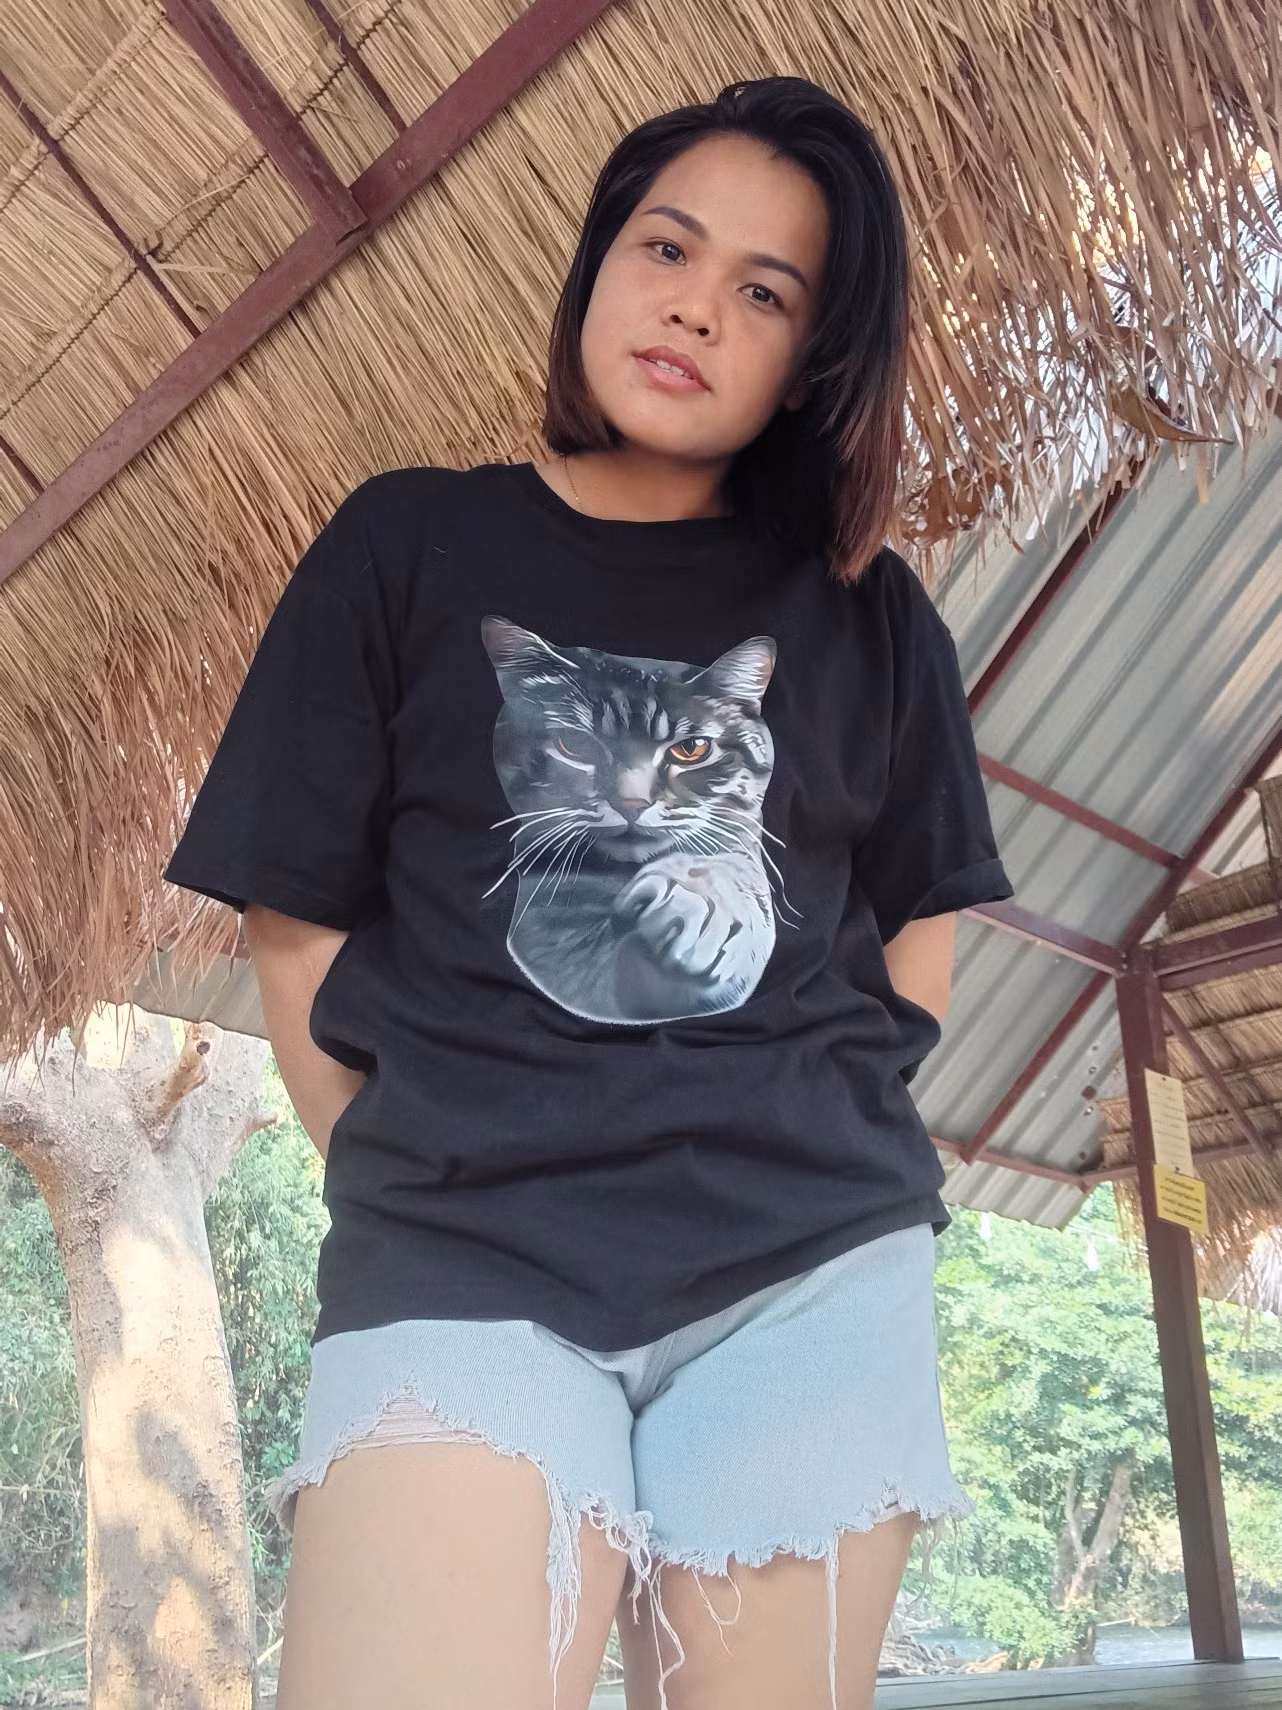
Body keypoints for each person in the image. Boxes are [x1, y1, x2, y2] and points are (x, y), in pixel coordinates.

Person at [164, 74, 1014, 1710]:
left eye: (764, 291)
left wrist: (835, 1117)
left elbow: (920, 907)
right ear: (596, 267)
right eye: (665, 248)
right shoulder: (405, 544)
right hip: (460, 1259)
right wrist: (397, 1157)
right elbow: (295, 914)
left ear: (810, 359)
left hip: (807, 1271)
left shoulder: (867, 612)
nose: (695, 305)